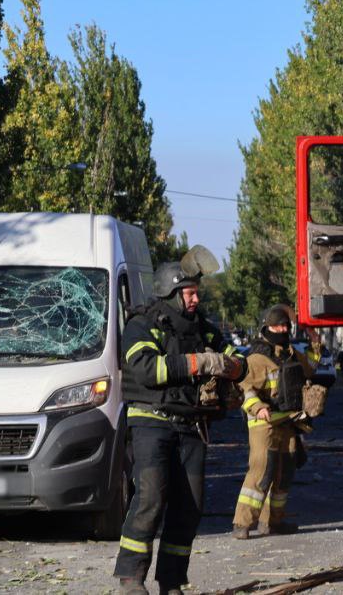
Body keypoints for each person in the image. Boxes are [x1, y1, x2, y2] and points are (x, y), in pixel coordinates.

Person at [115, 251, 245, 595]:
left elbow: (236, 360)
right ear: (172, 293)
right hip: (151, 423)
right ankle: (130, 578)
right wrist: (196, 363)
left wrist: (231, 367)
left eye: (197, 291)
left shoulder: (202, 327)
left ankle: (172, 581)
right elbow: (146, 369)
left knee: (190, 506)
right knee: (151, 497)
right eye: (190, 292)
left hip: (191, 426)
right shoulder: (142, 325)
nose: (196, 298)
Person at [232, 305, 313, 539]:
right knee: (261, 471)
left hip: (288, 423)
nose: (283, 329)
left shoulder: (291, 354)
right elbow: (245, 390)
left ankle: (272, 522)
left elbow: (309, 370)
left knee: (284, 473)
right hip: (263, 425)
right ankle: (242, 523)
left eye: (286, 325)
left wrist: (315, 344)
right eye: (278, 325)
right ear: (266, 328)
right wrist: (258, 408)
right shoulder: (257, 358)